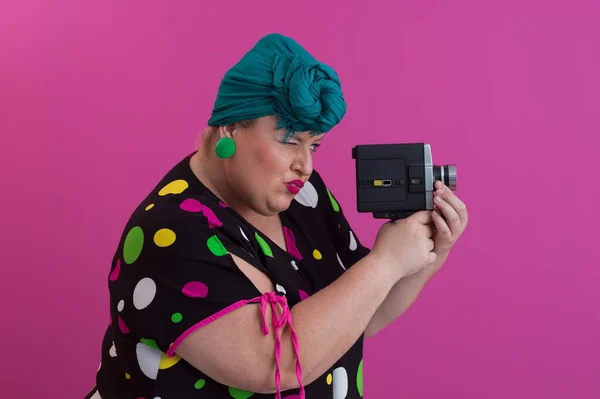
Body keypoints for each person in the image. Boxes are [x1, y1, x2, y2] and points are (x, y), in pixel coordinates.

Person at [85, 33, 468, 399]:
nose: (304, 164)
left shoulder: (302, 195)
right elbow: (276, 364)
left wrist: (431, 250)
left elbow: (359, 315)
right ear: (231, 128)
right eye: (289, 140)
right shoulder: (167, 232)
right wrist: (385, 263)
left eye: (314, 144)